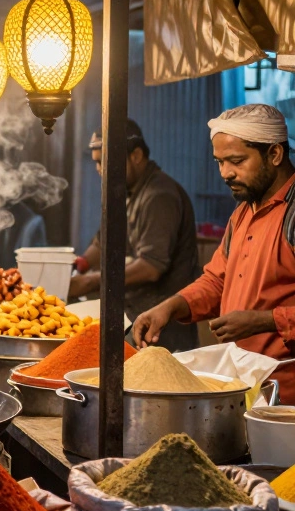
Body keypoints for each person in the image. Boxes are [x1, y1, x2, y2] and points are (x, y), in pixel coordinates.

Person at [134, 104, 295, 400]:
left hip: (284, 398)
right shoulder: (242, 213)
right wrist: (170, 306)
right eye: (219, 162)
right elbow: (217, 281)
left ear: (274, 154)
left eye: (236, 161)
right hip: (239, 389)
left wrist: (265, 321)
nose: (225, 173)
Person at [71, 120, 200, 350]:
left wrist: (89, 282)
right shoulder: (123, 192)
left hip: (162, 330)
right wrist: (79, 265)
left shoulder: (159, 196)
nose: (99, 169)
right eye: (96, 162)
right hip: (133, 319)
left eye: (104, 161)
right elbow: (102, 244)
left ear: (137, 155)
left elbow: (152, 267)